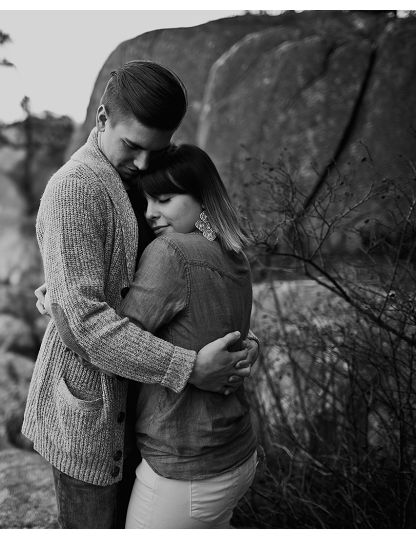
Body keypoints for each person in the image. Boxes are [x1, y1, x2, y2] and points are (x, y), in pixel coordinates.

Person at [22, 60, 260, 529]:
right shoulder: (75, 190)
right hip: (91, 414)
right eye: (132, 146)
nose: (145, 163)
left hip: (149, 410)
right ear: (102, 119)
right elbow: (85, 324)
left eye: (158, 148)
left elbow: (194, 253)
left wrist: (235, 334)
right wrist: (189, 367)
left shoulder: (139, 176)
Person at [121, 143, 257, 528]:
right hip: (238, 454)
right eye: (146, 202)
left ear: (203, 198)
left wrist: (64, 301)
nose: (151, 214)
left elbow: (117, 340)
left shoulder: (171, 251)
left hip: (183, 468)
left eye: (164, 199)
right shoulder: (234, 252)